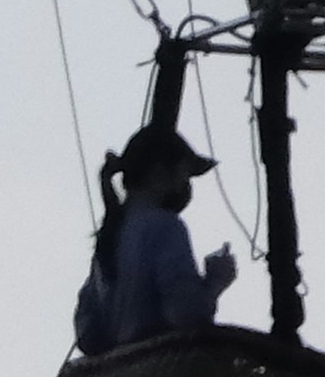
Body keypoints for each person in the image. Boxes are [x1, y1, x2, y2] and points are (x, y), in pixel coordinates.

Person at [69, 117, 231, 357]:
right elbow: (185, 314)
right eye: (184, 174)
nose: (186, 185)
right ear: (158, 172)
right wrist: (215, 282)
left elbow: (87, 333)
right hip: (158, 375)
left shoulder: (111, 233)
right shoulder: (166, 227)